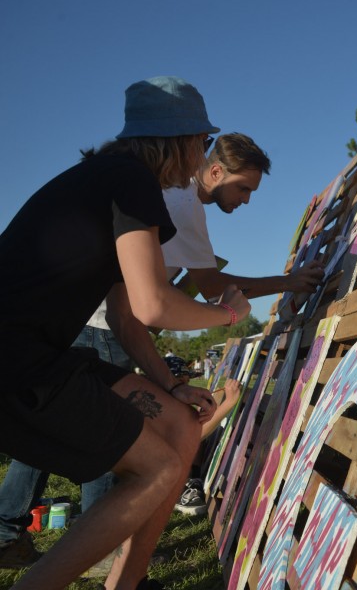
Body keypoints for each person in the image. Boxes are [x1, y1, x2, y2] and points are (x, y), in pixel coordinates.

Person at [0, 131, 325, 577]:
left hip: (84, 334)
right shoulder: (168, 194)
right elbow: (185, 296)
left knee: (113, 435)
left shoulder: (139, 187)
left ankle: (98, 562)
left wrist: (172, 379)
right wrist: (260, 298)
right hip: (88, 336)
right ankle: (99, 554)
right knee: (127, 452)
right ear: (208, 165)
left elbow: (144, 304)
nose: (247, 200)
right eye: (244, 188)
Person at [0, 75, 251, 590]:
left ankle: (126, 583)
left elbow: (124, 317)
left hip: (37, 353)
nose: (199, 155)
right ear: (181, 142)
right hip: (17, 359)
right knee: (159, 468)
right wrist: (228, 315)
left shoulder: (106, 177)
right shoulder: (131, 180)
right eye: (201, 142)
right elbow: (154, 304)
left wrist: (171, 384)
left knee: (180, 424)